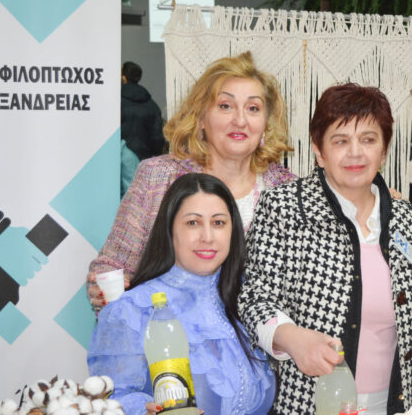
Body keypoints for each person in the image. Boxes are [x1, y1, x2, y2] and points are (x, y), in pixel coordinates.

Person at [238, 83, 412, 415]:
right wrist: (290, 336)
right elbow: (253, 297)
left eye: (368, 140)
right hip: (309, 404)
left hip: (396, 405)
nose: (355, 153)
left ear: (384, 151)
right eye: (340, 141)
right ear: (319, 151)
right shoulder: (283, 208)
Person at [88, 51, 296, 308]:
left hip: (261, 333)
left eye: (253, 108)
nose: (240, 120)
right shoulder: (158, 177)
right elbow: (111, 267)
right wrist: (105, 290)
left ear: (265, 124)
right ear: (201, 119)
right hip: (170, 328)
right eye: (225, 106)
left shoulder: (288, 191)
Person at [87, 173, 276, 415]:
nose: (207, 237)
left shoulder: (250, 300)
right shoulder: (132, 310)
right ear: (169, 230)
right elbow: (111, 397)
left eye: (218, 223)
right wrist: (142, 410)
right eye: (192, 223)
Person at [121, 61, 166, 161]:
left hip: (120, 161)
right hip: (145, 160)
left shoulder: (116, 104)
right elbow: (157, 138)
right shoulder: (152, 106)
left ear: (124, 77)